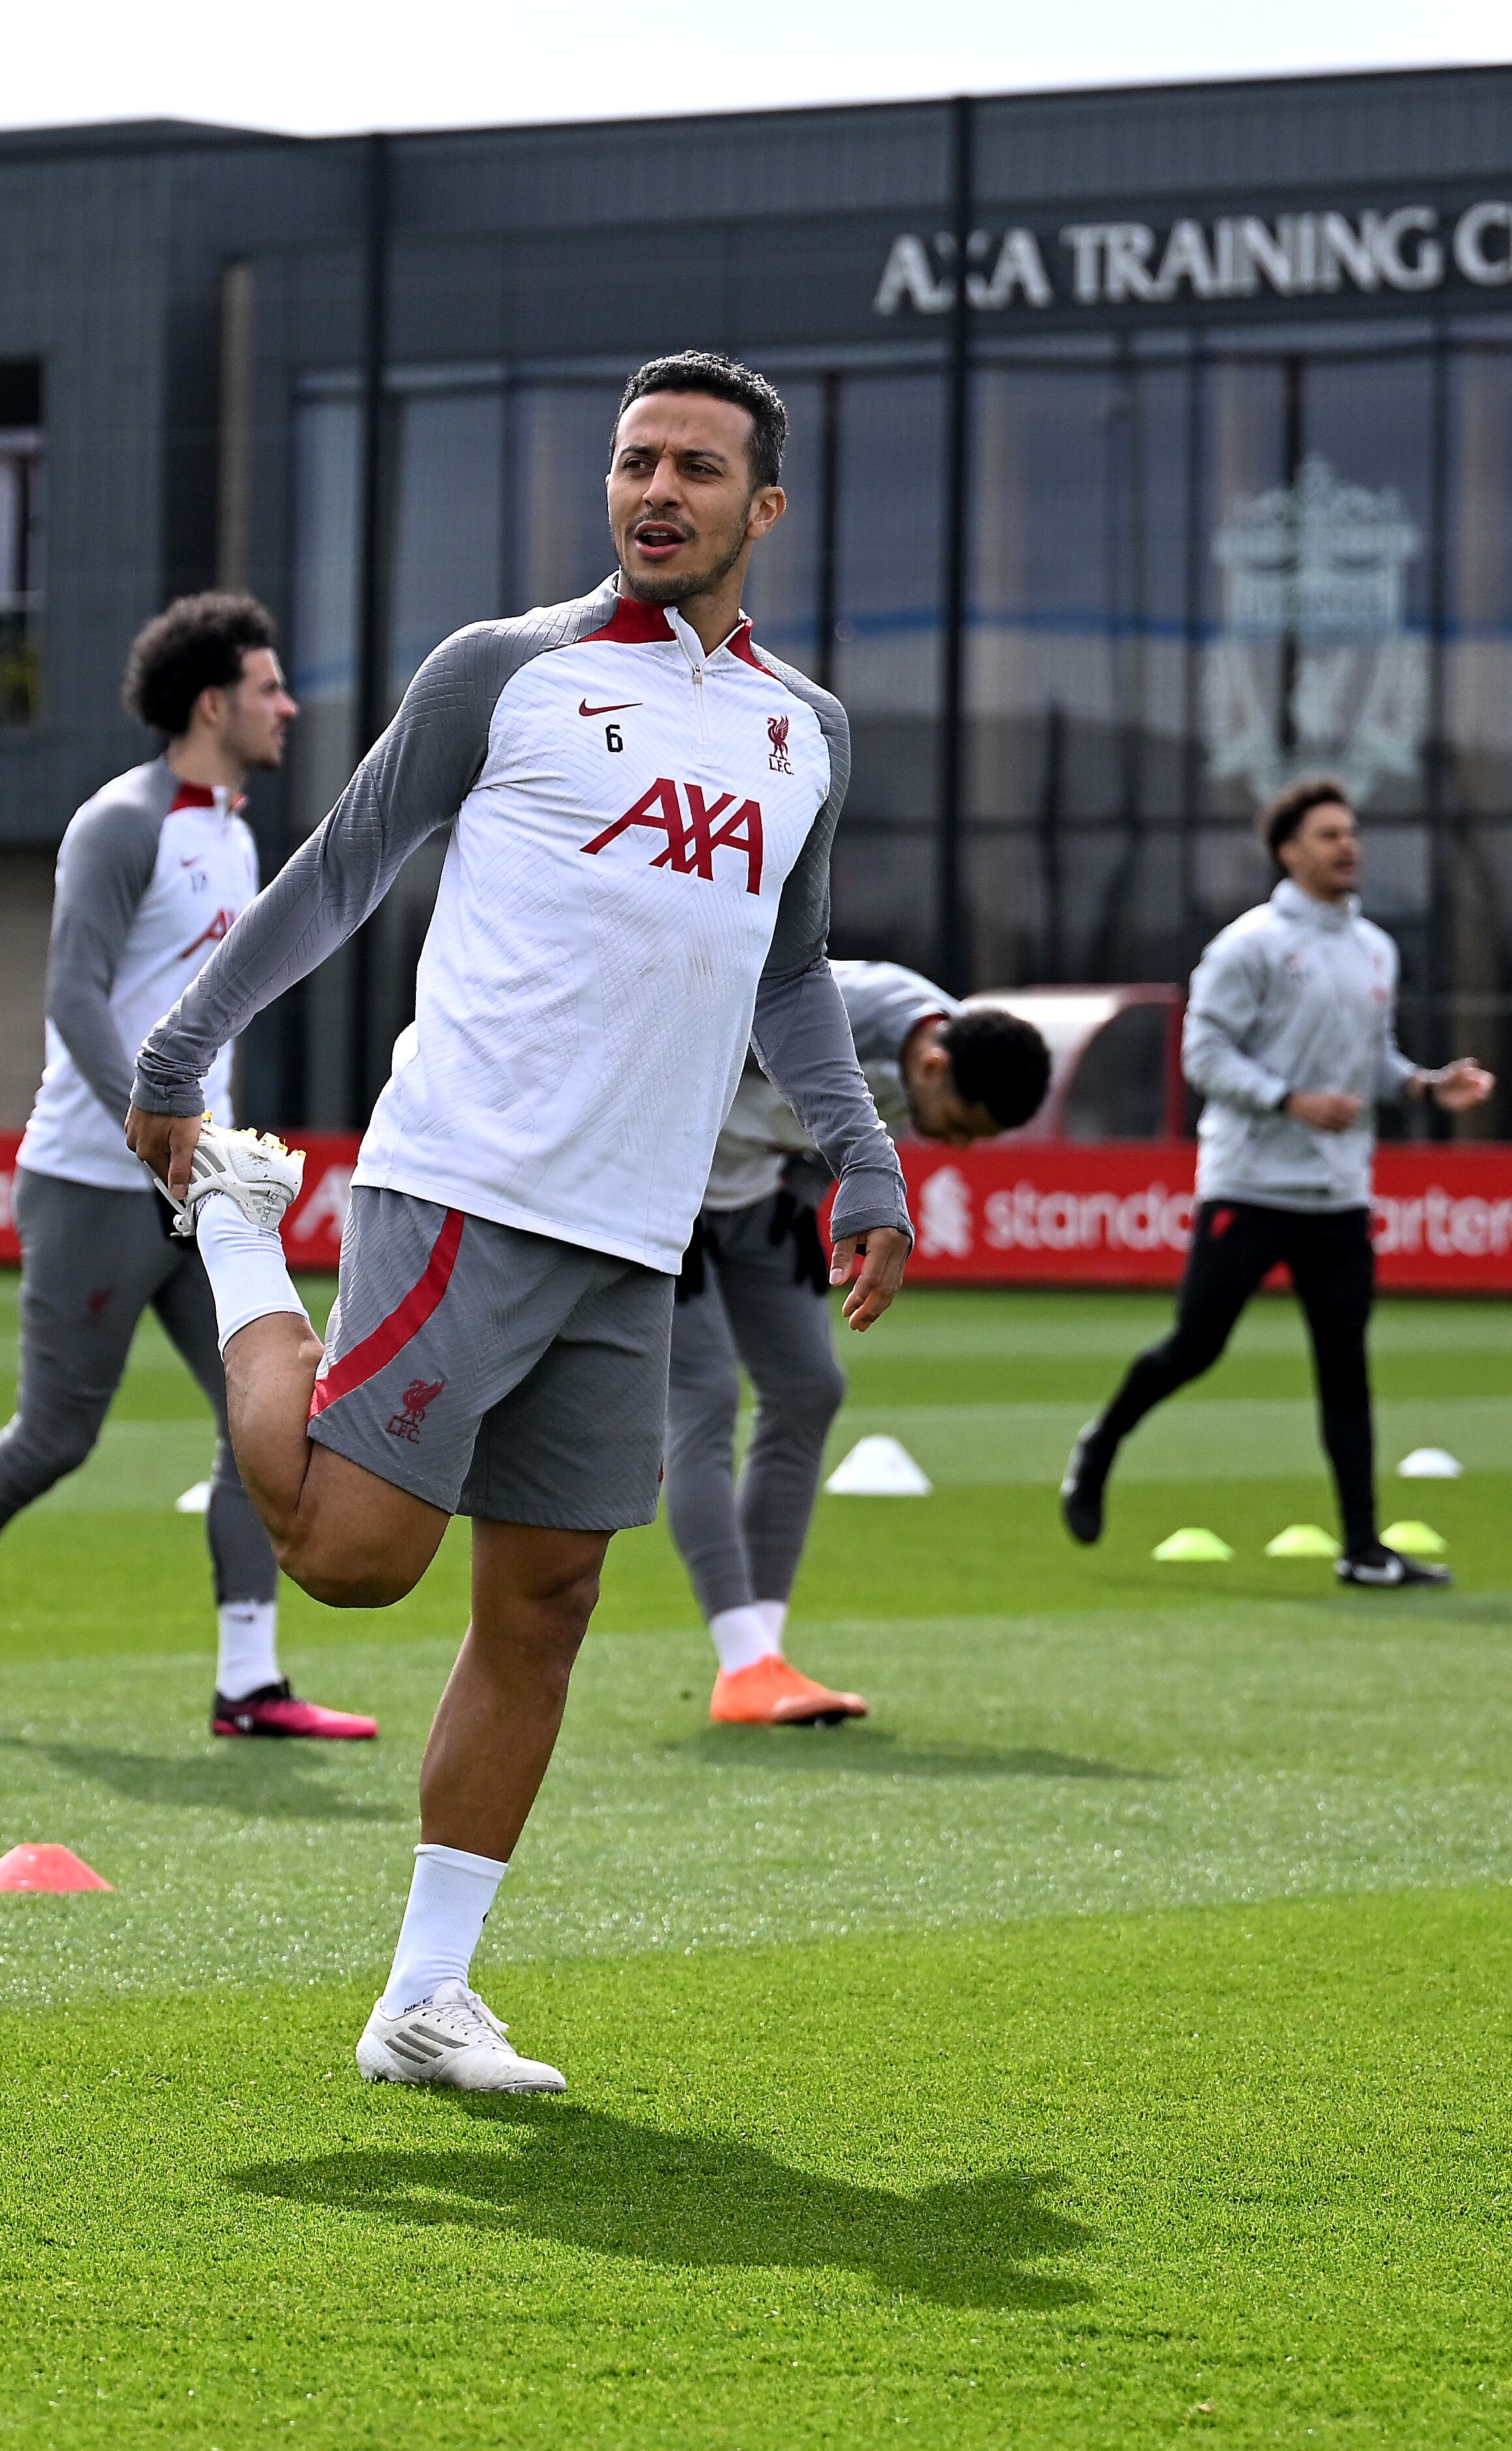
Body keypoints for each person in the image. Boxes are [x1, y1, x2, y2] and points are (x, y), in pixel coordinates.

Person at [126, 352, 913, 2095]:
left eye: (694, 468)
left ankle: (426, 1996)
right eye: (635, 462)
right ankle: (240, 1231)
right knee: (352, 1557)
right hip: (467, 1183)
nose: (657, 492)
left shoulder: (806, 731)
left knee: (546, 1600)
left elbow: (790, 974)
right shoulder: (503, 669)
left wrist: (863, 1158)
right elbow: (341, 865)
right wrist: (180, 1054)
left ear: (763, 507)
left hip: (641, 1234)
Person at [0, 595, 374, 1741]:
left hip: (204, 1186)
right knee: (55, 1436)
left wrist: (204, 1142)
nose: (288, 706)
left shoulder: (235, 834)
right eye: (269, 687)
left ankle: (248, 1683)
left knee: (264, 1413)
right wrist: (159, 1121)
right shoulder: (119, 823)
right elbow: (74, 997)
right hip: (93, 1182)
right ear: (212, 705)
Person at [1063, 779, 1492, 1582]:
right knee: (1195, 1347)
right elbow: (1203, 1056)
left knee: (1345, 1367)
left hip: (1338, 1193)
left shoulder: (1375, 948)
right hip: (1249, 1184)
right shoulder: (1248, 945)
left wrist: (1426, 1085)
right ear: (1288, 851)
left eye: (1351, 832)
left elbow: (1370, 1061)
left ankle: (1362, 1552)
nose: (1347, 846)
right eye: (1328, 834)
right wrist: (1288, 1100)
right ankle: (1100, 1445)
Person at [671, 969, 1050, 1724]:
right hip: (661, 1189)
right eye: (960, 1125)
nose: (958, 1147)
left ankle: (759, 1663)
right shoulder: (854, 1019)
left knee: (808, 1388)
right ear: (933, 1066)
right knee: (703, 1397)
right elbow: (673, 1042)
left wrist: (801, 1198)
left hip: (756, 1198)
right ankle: (744, 1660)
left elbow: (820, 1128)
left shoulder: (947, 1049)